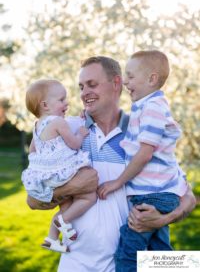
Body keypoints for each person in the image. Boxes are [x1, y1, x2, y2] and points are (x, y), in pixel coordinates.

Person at [26, 56, 196, 272]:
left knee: (186, 266)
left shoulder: (143, 133)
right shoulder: (66, 129)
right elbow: (32, 199)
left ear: (117, 83)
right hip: (76, 264)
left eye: (92, 84)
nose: (84, 92)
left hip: (128, 264)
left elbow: (187, 197)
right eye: (81, 87)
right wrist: (74, 187)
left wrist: (163, 219)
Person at [97, 50, 189, 271]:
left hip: (153, 196)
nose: (125, 82)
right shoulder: (147, 108)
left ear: (152, 79)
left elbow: (145, 153)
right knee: (160, 254)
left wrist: (118, 182)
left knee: (128, 255)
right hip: (158, 194)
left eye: (130, 76)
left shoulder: (152, 108)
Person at [22, 79, 97, 253]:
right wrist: (81, 133)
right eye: (62, 100)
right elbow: (75, 144)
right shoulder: (58, 122)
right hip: (62, 172)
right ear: (46, 105)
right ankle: (64, 220)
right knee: (89, 197)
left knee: (67, 202)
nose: (67, 103)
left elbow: (33, 151)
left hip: (44, 176)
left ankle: (52, 238)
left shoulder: (37, 126)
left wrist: (45, 163)